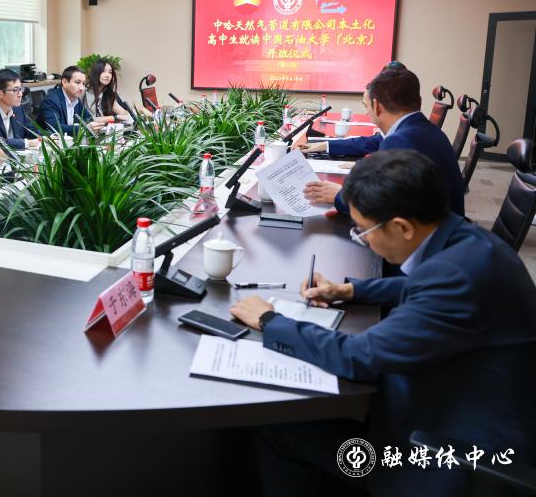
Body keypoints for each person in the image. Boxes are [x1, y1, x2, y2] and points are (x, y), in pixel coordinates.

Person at [230, 150, 536, 496]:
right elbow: (418, 286)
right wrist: (351, 290)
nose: (364, 240)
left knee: (279, 430)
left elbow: (359, 357)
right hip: (448, 415)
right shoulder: (465, 241)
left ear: (402, 227)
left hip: (443, 458)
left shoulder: (455, 279)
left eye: (363, 231)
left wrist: (270, 320)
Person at [298, 66, 464, 215]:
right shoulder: (422, 129)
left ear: (377, 106)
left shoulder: (401, 140)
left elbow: (382, 205)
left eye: (366, 106)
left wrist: (339, 195)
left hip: (430, 235)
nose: (367, 112)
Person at [39, 65, 108, 136]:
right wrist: (83, 128)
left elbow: (88, 118)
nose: (82, 88)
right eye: (77, 82)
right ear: (65, 82)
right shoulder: (51, 100)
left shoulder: (75, 99)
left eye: (83, 84)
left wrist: (85, 126)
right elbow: (54, 127)